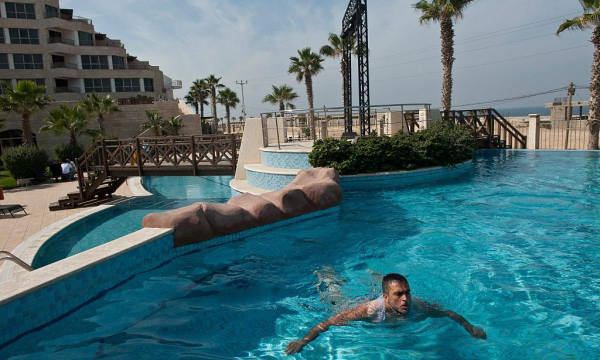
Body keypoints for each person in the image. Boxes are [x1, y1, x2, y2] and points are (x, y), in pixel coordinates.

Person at [285, 273, 487, 355]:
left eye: (407, 292)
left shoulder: (417, 306)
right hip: (353, 305)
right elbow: (328, 322)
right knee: (334, 299)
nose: (405, 299)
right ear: (386, 297)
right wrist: (303, 341)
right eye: (399, 294)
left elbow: (448, 313)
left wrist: (470, 328)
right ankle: (327, 275)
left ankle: (377, 277)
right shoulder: (370, 310)